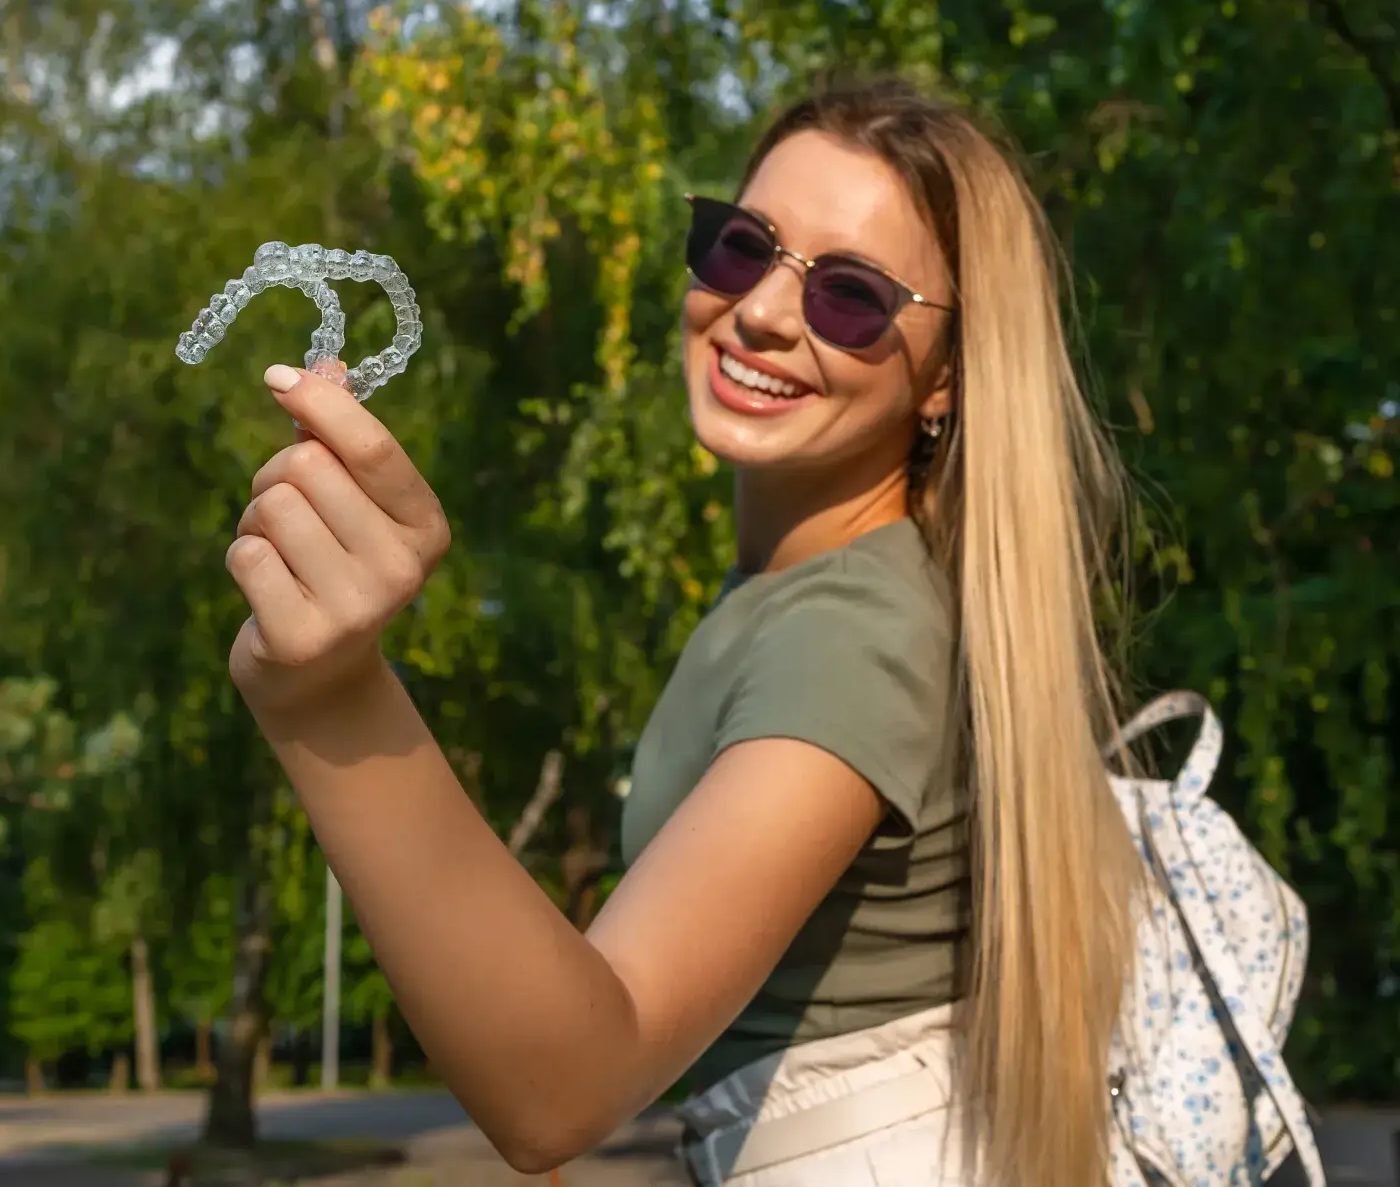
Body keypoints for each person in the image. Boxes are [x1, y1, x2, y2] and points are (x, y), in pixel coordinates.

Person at [225, 78, 1143, 1186]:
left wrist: (331, 697)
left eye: (852, 296)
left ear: (945, 376)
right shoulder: (808, 591)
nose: (760, 309)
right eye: (740, 244)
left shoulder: (856, 629)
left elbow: (561, 1084)